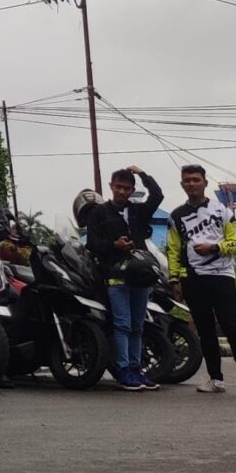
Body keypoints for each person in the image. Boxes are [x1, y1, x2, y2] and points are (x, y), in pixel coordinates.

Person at [166, 163, 236, 395]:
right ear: (182, 184)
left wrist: (214, 248)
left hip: (222, 276)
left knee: (230, 326)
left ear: (205, 183)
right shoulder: (176, 216)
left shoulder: (222, 210)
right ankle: (215, 379)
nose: (191, 184)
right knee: (205, 330)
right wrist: (174, 280)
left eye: (196, 180)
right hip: (193, 278)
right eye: (187, 180)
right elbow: (173, 250)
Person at [82, 165, 165, 392]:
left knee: (138, 326)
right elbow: (92, 244)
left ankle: (136, 369)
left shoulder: (139, 211)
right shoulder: (98, 213)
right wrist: (114, 245)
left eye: (126, 188)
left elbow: (157, 195)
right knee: (122, 325)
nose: (121, 191)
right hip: (115, 276)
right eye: (118, 187)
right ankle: (123, 370)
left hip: (140, 275)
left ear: (131, 190)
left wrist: (143, 174)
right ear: (111, 186)